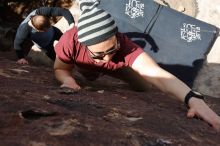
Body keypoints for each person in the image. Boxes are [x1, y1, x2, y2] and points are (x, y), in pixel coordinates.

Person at [54, 0, 220, 131]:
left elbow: (156, 73)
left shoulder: (125, 46)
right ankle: (93, 72)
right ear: (83, 45)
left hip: (121, 68)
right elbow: (61, 68)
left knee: (143, 85)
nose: (106, 59)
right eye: (98, 54)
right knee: (90, 75)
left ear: (117, 37)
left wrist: (192, 98)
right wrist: (67, 79)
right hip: (87, 67)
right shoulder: (69, 42)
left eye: (112, 49)